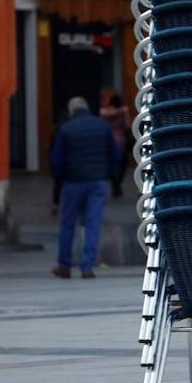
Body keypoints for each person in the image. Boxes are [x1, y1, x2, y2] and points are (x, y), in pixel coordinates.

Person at [51, 96, 121, 279]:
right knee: (93, 224)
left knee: (68, 224)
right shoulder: (102, 126)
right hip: (98, 182)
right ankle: (87, 266)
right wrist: (109, 176)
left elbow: (57, 162)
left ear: (71, 111)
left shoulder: (66, 128)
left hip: (73, 182)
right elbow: (114, 154)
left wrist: (60, 182)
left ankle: (64, 265)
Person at [99, 92, 132, 198]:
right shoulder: (123, 111)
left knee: (112, 162)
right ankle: (118, 184)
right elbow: (127, 125)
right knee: (122, 164)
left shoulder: (103, 112)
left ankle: (114, 183)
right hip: (120, 139)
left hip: (108, 140)